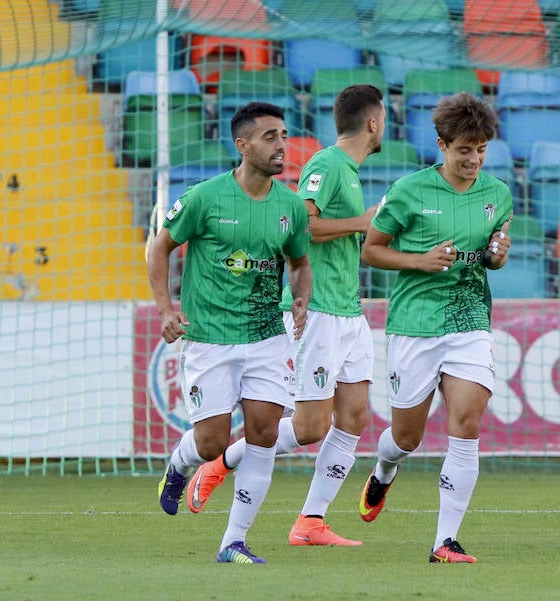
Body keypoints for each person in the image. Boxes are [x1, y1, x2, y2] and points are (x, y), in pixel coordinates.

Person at [183, 84, 387, 547]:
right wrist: (361, 223)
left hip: (349, 312)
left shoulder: (351, 172)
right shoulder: (327, 164)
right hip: (319, 313)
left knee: (353, 419)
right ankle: (222, 461)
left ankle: (310, 522)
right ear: (373, 122)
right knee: (311, 427)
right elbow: (304, 224)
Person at [148, 101, 312, 564]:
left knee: (263, 434)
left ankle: (233, 542)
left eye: (283, 135)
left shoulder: (291, 207)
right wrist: (166, 309)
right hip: (210, 339)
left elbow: (300, 264)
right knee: (213, 443)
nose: (281, 145)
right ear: (242, 146)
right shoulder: (204, 198)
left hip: (266, 337)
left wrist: (299, 297)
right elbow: (160, 250)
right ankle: (180, 466)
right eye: (269, 137)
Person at [357, 92, 513, 564]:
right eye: (465, 150)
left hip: (469, 321)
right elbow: (370, 250)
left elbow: (492, 254)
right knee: (407, 437)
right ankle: (384, 468)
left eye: (482, 149)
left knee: (466, 423)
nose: (474, 159)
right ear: (443, 145)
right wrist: (418, 261)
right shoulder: (410, 191)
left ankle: (444, 541)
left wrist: (497, 257)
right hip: (415, 324)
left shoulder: (498, 195)